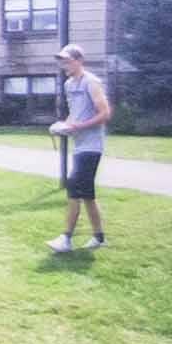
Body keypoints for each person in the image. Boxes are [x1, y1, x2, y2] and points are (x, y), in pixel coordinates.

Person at [58, 46, 114, 254]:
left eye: (67, 60)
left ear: (79, 60)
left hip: (92, 145)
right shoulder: (68, 84)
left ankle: (66, 239)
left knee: (74, 187)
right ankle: (99, 238)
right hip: (79, 144)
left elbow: (105, 113)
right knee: (88, 194)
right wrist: (63, 126)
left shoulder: (92, 82)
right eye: (61, 61)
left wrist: (78, 127)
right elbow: (75, 114)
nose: (64, 65)